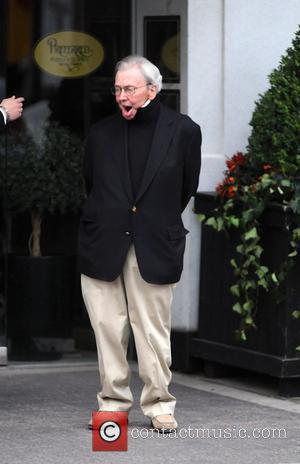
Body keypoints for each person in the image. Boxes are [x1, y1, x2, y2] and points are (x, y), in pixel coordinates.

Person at [78, 55, 201, 433]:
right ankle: (113, 403)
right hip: (103, 243)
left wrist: (148, 219)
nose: (121, 96)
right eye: (117, 89)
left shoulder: (183, 130)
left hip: (153, 243)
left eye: (128, 88)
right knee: (108, 330)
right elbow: (91, 184)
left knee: (151, 331)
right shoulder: (100, 133)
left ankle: (160, 403)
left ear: (152, 89)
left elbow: (186, 186)